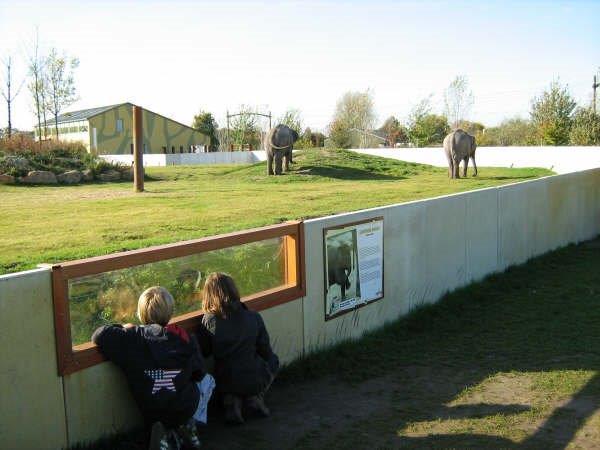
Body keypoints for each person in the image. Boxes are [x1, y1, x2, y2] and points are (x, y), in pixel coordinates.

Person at [92, 286, 213, 450]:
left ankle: (163, 431)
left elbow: (99, 334)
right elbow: (199, 373)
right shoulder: (185, 338)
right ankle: (187, 425)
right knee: (208, 381)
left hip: (151, 409)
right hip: (184, 405)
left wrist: (123, 328)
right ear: (170, 311)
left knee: (161, 404)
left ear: (141, 313)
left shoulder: (132, 338)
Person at [197, 272, 279, 424]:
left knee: (228, 375)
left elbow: (205, 351)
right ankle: (255, 397)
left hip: (225, 380)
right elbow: (266, 352)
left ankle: (231, 400)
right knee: (274, 360)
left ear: (208, 295)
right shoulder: (253, 316)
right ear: (234, 291)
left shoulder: (208, 320)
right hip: (254, 377)